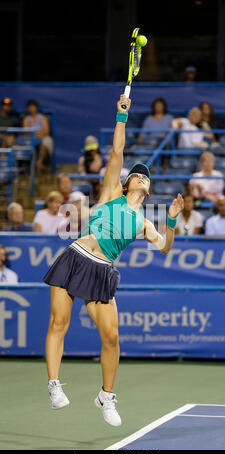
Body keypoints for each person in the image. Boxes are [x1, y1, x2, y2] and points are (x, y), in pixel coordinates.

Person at [43, 94, 184, 426]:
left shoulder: (144, 222)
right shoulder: (110, 193)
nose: (142, 176)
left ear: (148, 189)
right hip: (76, 256)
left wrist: (173, 220)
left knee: (112, 337)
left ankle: (106, 396)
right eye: (137, 174)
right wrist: (122, 116)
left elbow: (164, 247)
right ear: (126, 182)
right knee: (58, 323)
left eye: (146, 176)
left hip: (102, 271)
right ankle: (53, 384)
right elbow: (117, 152)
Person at [23, 99, 53, 173]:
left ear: (36, 107)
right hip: (31, 139)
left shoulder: (42, 118)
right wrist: (38, 132)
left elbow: (46, 131)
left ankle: (39, 162)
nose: (31, 109)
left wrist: (34, 133)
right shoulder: (26, 119)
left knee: (45, 144)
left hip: (43, 138)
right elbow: (26, 133)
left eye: (33, 107)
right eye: (30, 107)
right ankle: (35, 165)